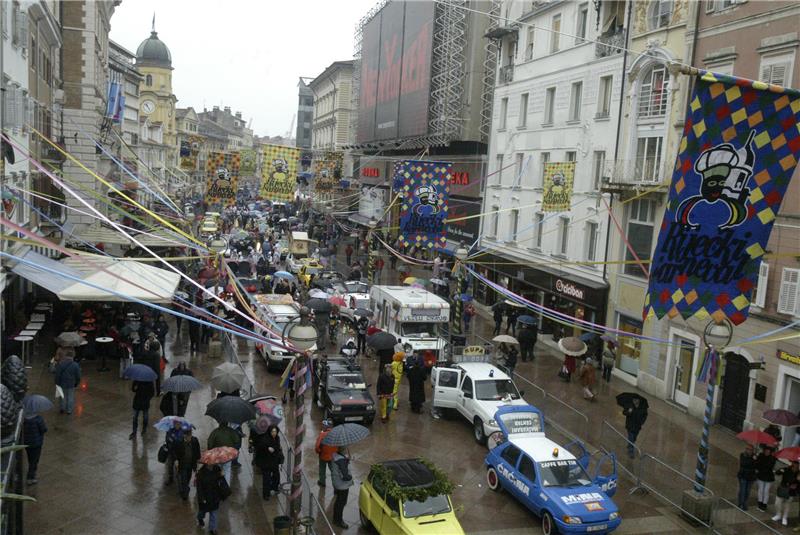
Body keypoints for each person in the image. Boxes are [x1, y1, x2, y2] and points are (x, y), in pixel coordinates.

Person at [196, 463, 231, 535]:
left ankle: (212, 529)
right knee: (202, 512)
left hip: (215, 496)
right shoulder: (200, 473)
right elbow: (199, 488)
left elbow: (220, 481)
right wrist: (201, 498)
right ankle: (200, 518)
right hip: (205, 497)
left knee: (214, 513)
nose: (212, 464)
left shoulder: (217, 469)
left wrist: (221, 476)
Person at [252, 425, 283, 500]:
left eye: (275, 431)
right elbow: (259, 447)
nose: (274, 433)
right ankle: (266, 494)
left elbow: (277, 447)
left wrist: (276, 449)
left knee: (276, 476)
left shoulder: (277, 438)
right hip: (266, 462)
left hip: (274, 461)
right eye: (272, 431)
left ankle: (274, 488)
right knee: (266, 478)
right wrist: (267, 448)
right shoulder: (265, 439)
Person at [330, 446, 354, 529]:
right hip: (342, 486)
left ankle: (335, 518)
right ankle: (338, 521)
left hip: (337, 483)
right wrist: (350, 477)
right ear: (343, 450)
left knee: (338, 502)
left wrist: (346, 460)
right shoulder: (341, 460)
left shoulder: (336, 456)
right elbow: (345, 476)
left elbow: (340, 465)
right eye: (346, 449)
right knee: (341, 503)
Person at [174, 427, 201, 501]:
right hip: (183, 464)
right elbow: (175, 452)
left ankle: (185, 488)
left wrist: (198, 462)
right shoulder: (178, 441)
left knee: (188, 477)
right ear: (184, 435)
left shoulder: (195, 440)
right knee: (183, 478)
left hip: (191, 464)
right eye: (188, 436)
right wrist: (176, 460)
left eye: (190, 435)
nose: (190, 437)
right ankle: (185, 494)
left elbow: (197, 452)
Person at [22, 411, 47, 485]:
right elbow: (44, 429)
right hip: (36, 443)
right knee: (35, 460)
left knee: (30, 458)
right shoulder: (38, 419)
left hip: (27, 442)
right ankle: (30, 476)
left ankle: (32, 474)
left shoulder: (23, 419)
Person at [53, 349, 81, 415]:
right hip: (71, 383)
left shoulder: (61, 364)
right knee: (70, 396)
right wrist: (77, 382)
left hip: (62, 383)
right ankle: (69, 410)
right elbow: (78, 375)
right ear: (73, 356)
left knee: (62, 396)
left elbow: (57, 374)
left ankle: (62, 408)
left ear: (66, 356)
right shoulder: (75, 365)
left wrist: (57, 382)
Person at [772, 460, 800, 525]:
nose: (795, 464)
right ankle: (778, 515)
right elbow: (777, 472)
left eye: (797, 463)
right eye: (794, 463)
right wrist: (781, 470)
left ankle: (785, 517)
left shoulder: (799, 473)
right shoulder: (787, 469)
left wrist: (797, 484)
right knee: (777, 503)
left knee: (787, 505)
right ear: (792, 463)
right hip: (783, 489)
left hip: (791, 491)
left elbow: (798, 484)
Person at [315, 420, 337, 487]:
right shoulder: (335, 434)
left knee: (322, 469)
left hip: (323, 456)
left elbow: (317, 446)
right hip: (333, 456)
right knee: (333, 471)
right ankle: (335, 485)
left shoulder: (322, 434)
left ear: (326, 426)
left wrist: (318, 451)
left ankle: (322, 482)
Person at [736, 443, 758, 510]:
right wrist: (752, 459)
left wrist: (755, 460)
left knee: (747, 491)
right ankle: (741, 504)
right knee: (743, 490)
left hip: (751, 477)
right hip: (743, 475)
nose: (749, 451)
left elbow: (756, 466)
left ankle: (744, 503)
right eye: (748, 449)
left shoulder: (755, 457)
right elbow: (744, 463)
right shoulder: (742, 455)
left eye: (751, 450)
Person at [756, 445, 777, 511]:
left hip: (768, 477)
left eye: (768, 451)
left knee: (766, 491)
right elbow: (757, 464)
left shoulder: (772, 458)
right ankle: (760, 503)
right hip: (761, 476)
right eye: (766, 451)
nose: (766, 452)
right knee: (761, 490)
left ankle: (764, 504)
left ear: (770, 452)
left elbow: (770, 466)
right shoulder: (760, 456)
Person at [164, 419, 184, 485]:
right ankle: (170, 478)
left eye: (179, 424)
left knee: (180, 466)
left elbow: (182, 441)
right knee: (170, 465)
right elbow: (168, 440)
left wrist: (173, 440)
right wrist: (171, 440)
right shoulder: (170, 431)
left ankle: (180, 478)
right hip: (171, 452)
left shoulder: (182, 431)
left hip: (180, 452)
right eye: (176, 424)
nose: (177, 425)